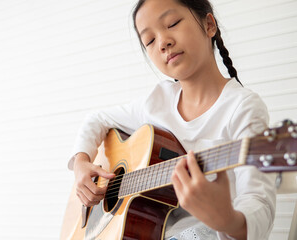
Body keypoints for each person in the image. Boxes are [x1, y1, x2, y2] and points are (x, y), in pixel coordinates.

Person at [68, 0, 276, 239]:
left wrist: (227, 220)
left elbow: (259, 202)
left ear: (209, 25)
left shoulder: (243, 108)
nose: (163, 42)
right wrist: (81, 162)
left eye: (173, 23)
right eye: (150, 40)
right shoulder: (158, 100)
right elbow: (98, 119)